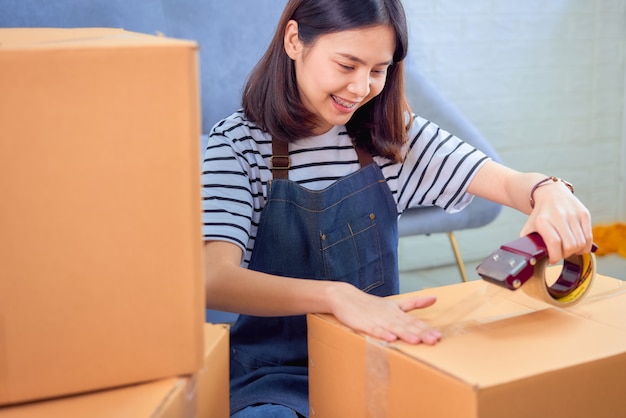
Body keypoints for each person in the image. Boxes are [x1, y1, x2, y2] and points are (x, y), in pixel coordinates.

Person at [202, 0, 593, 416]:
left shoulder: (391, 138)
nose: (361, 88)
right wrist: (336, 297)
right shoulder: (236, 144)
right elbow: (214, 278)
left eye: (377, 70)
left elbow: (511, 183)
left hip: (378, 360)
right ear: (295, 41)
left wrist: (550, 193)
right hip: (273, 376)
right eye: (347, 65)